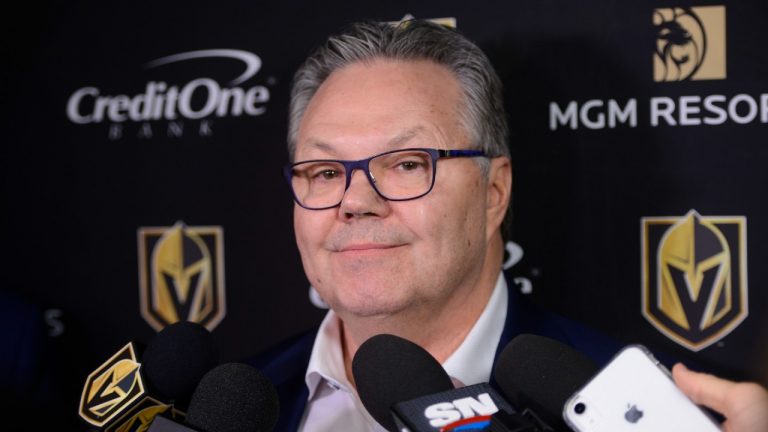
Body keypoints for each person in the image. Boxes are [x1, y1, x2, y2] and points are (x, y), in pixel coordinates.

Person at [254, 19, 768, 431]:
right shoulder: (240, 401)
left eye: (408, 163)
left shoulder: (638, 414)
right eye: (324, 172)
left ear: (494, 192)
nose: (356, 201)